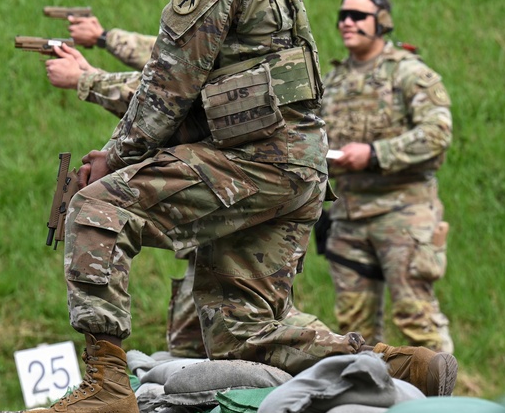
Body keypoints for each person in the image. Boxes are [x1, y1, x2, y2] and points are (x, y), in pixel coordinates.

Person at [17, 0, 457, 413]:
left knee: (98, 207)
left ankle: (106, 387)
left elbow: (166, 88)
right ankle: (397, 365)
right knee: (243, 334)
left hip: (254, 164)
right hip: (290, 167)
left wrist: (113, 157)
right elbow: (204, 88)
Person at [46, 33, 335, 358]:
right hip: (264, 174)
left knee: (238, 329)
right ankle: (379, 360)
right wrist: (97, 57)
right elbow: (161, 79)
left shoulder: (222, 9)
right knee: (221, 337)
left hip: (249, 174)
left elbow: (168, 98)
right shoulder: (258, 25)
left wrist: (87, 81)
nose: (349, 23)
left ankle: (106, 383)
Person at [321, 0, 454, 354]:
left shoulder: (410, 74)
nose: (346, 22)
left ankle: (445, 407)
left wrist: (376, 154)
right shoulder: (333, 82)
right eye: (342, 15)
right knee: (353, 332)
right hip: (348, 218)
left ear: (381, 22)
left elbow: (437, 133)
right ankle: (367, 405)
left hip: (403, 215)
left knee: (418, 319)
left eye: (357, 16)